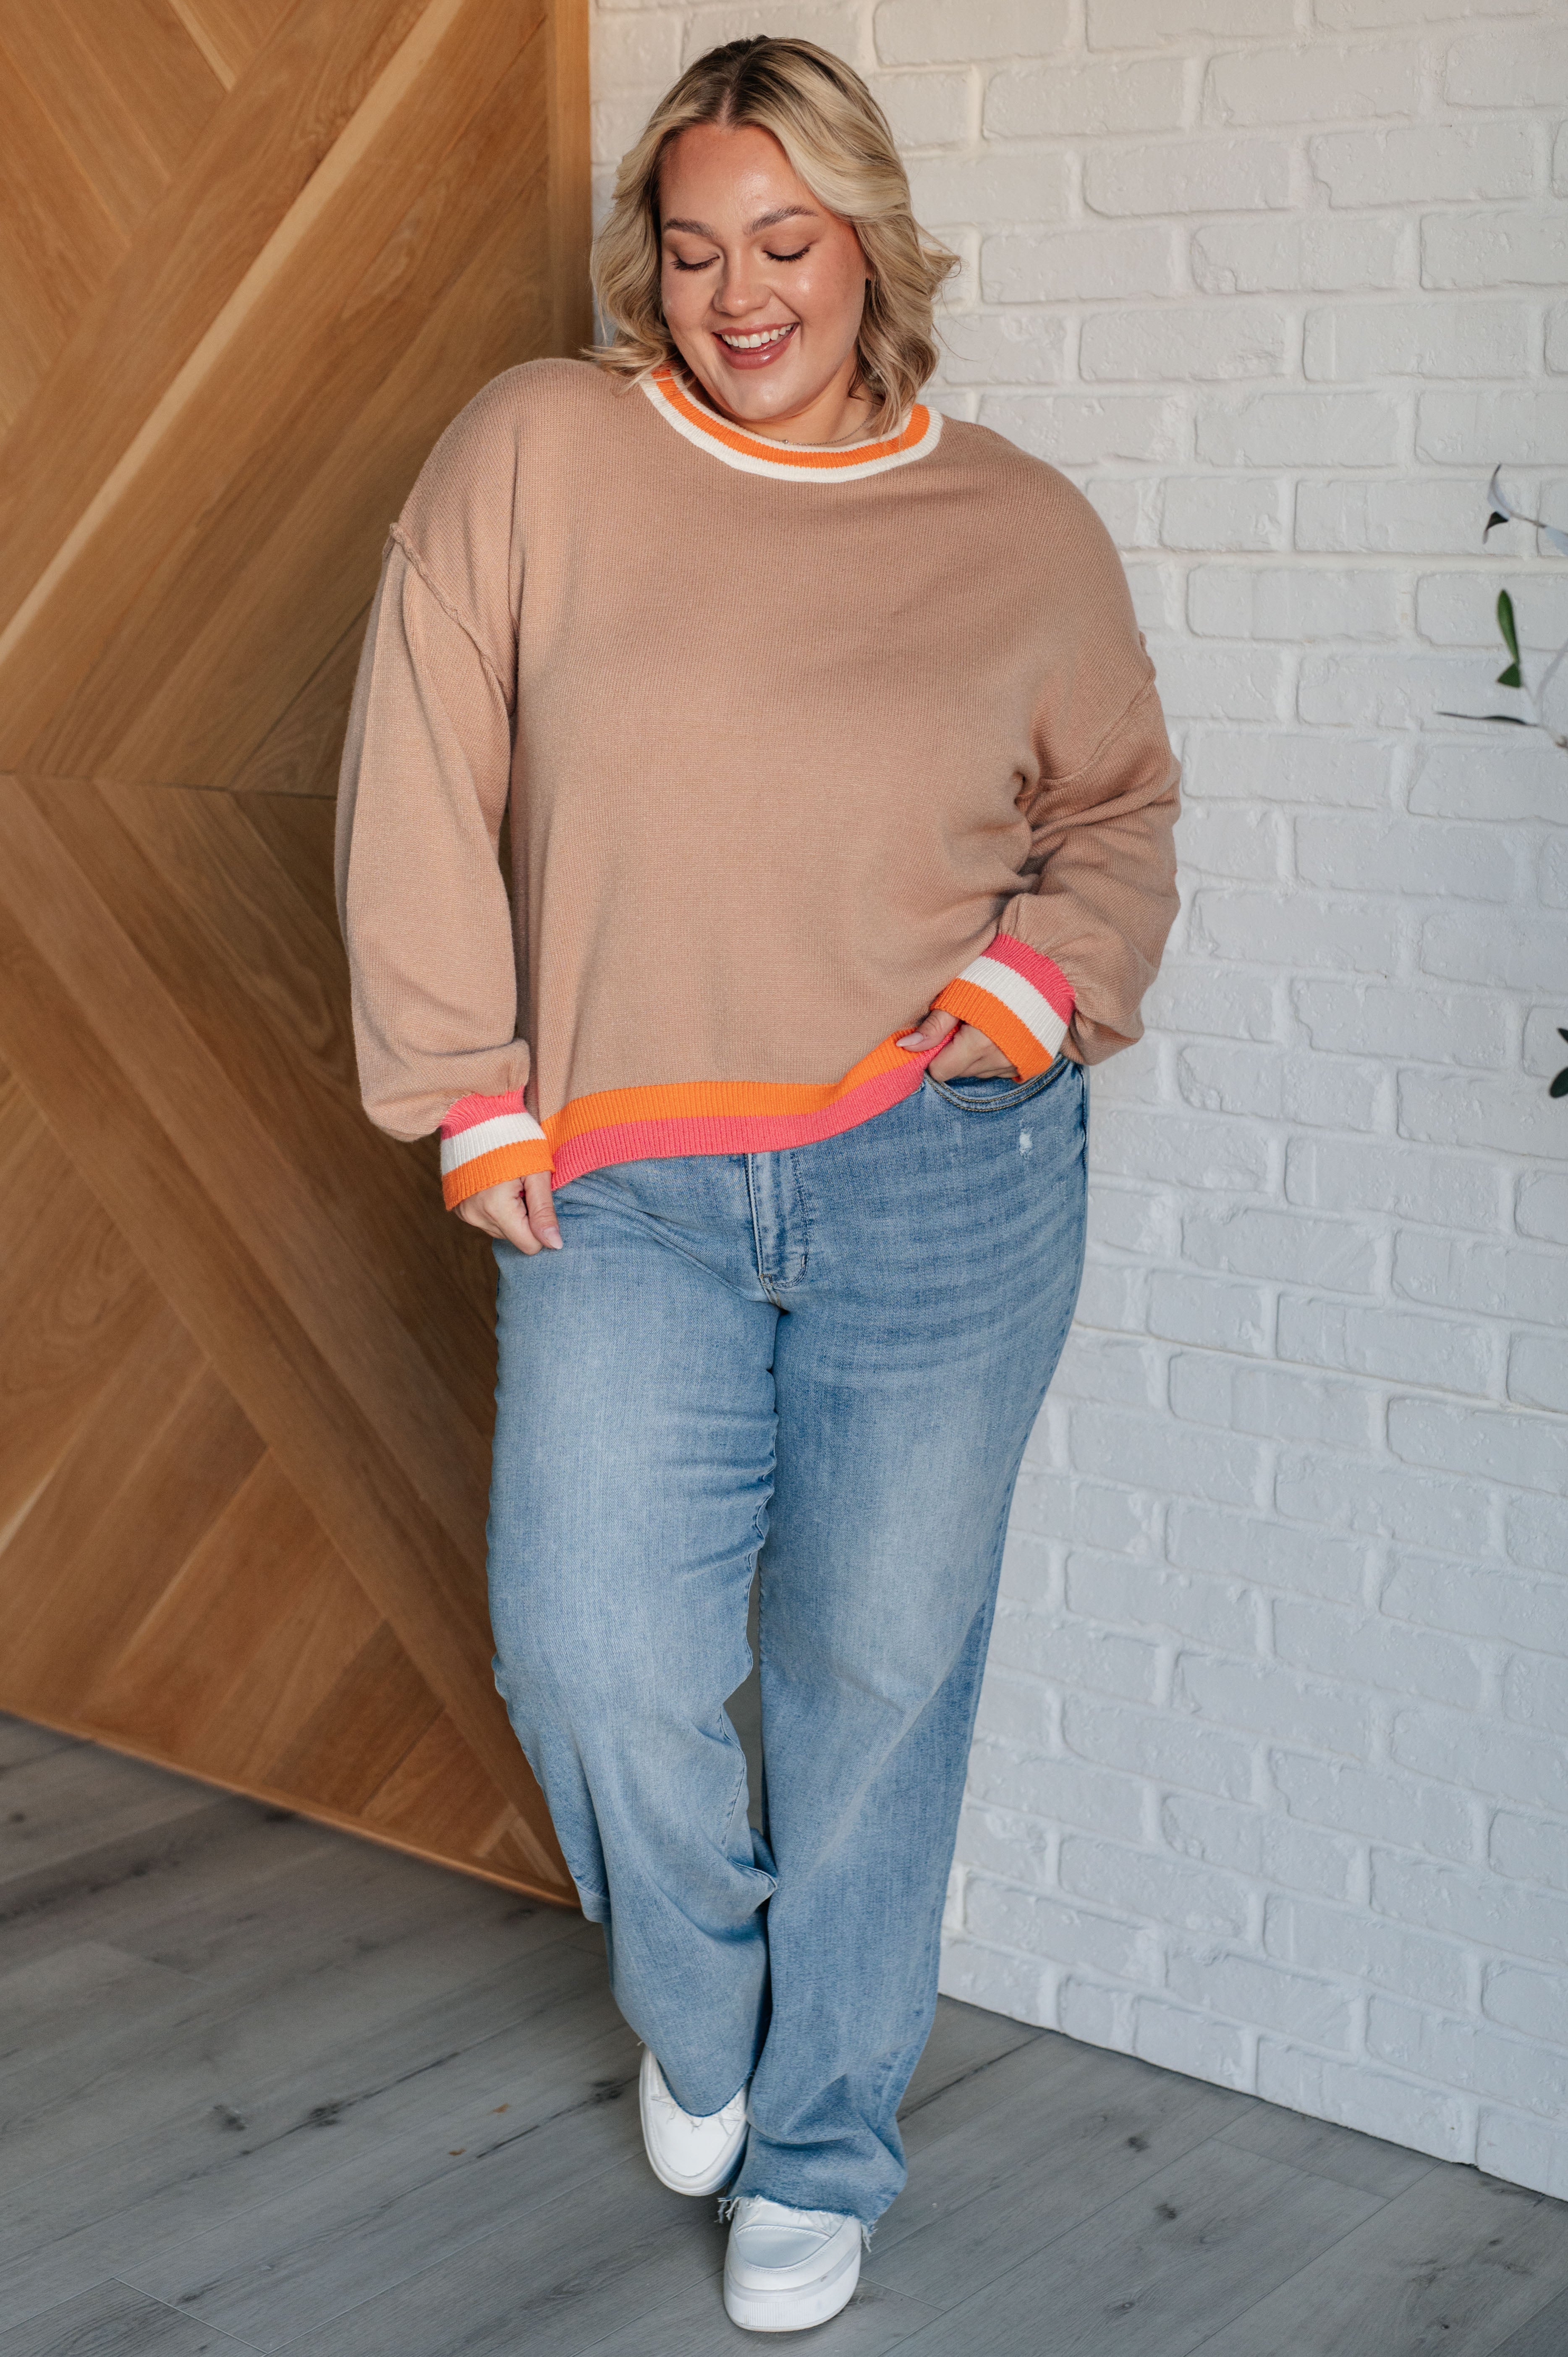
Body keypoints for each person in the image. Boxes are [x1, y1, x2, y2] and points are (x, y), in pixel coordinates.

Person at [336, 34, 1179, 2336]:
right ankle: (704, 2016)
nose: (741, 296)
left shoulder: (1018, 525)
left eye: (786, 243)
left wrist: (1037, 987)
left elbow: (1113, 813)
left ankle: (823, 2144)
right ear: (652, 260)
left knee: (876, 1675)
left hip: (943, 1163)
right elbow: (418, 762)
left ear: (868, 247)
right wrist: (467, 1088)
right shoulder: (541, 449)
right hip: (627, 1180)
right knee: (593, 1659)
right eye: (697, 248)